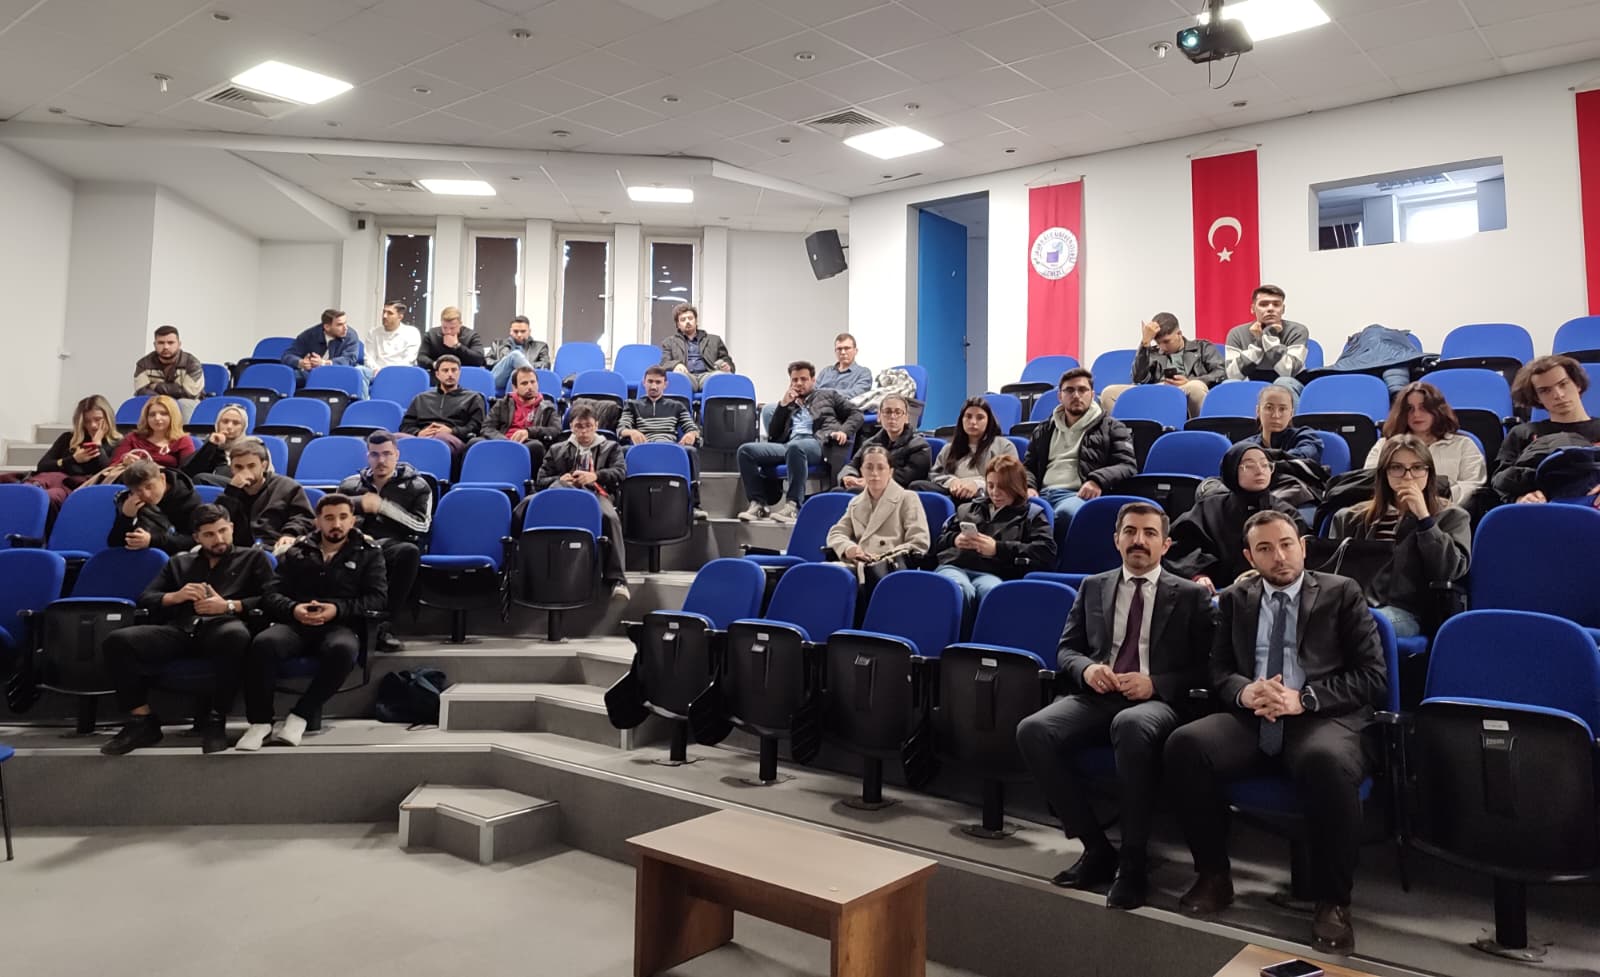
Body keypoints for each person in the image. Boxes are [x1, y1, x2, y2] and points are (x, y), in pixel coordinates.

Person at [1165, 509, 1388, 954]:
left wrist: (1304, 699)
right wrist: (1244, 691)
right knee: (1185, 745)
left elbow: (1372, 677)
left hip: (1320, 716)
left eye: (1286, 545)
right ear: (1250, 557)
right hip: (1254, 713)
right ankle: (1214, 875)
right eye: (1265, 549)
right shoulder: (1235, 598)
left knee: (1326, 760)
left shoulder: (1341, 592)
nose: (1279, 556)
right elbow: (1218, 670)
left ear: (1302, 547)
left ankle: (1333, 901)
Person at [1015, 502, 1214, 909]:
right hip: (1098, 694)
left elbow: (1209, 669)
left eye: (1149, 533)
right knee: (1033, 731)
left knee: (1131, 725)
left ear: (1166, 544)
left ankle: (1133, 861)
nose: (1139, 540)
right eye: (1130, 532)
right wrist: (1088, 669)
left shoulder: (1191, 595)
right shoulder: (1094, 585)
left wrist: (1155, 683)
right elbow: (1067, 650)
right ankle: (1096, 848)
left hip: (1156, 702)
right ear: (1116, 540)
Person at [98, 504, 275, 756]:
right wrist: (175, 596)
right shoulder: (180, 562)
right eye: (209, 534)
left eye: (223, 531)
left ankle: (216, 719)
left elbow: (272, 599)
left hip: (224, 625)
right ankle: (142, 720)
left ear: (232, 528)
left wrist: (229, 605)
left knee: (235, 636)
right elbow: (146, 598)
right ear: (197, 537)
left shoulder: (254, 558)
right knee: (118, 641)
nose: (219, 539)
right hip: (181, 629)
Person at [237, 493, 387, 751]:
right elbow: (271, 593)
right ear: (318, 521)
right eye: (329, 518)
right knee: (264, 644)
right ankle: (260, 722)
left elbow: (377, 599)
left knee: (343, 649)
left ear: (353, 521)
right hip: (297, 622)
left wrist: (337, 609)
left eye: (343, 517)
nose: (336, 524)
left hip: (340, 623)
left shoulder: (369, 553)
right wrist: (294, 609)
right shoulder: (297, 551)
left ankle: (301, 715)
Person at [1331, 435, 1471, 638]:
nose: (1408, 476)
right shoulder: (1350, 518)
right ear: (1384, 473)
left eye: (1417, 467)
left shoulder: (1452, 516)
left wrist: (1424, 519)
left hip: (1410, 613)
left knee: (1364, 623)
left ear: (1429, 472)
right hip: (1356, 606)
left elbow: (1449, 571)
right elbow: (1332, 575)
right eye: (1397, 468)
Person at [1165, 442, 1307, 594]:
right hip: (1215, 592)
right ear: (1232, 470)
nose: (1260, 471)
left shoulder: (1286, 514)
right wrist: (1198, 575)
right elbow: (1178, 547)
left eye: (1265, 465)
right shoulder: (1208, 509)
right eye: (1249, 466)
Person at [930, 456, 1056, 623]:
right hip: (955, 565)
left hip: (994, 572)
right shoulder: (969, 508)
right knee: (960, 589)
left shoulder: (1032, 515)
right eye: (990, 485)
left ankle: (978, 636)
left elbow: (1046, 551)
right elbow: (938, 544)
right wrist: (954, 539)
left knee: (991, 591)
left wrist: (998, 548)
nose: (995, 492)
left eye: (1002, 487)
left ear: (1016, 487)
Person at [338, 431, 432, 653]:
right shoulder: (350, 485)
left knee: (409, 552)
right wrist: (360, 505)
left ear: (397, 455)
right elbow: (334, 515)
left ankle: (384, 626)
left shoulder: (418, 486)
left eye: (387, 454)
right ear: (367, 456)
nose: (381, 460)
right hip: (356, 543)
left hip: (393, 545)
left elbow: (422, 526)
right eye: (375, 454)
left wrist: (383, 507)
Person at [737, 360, 862, 524]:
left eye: (803, 379)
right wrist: (783, 405)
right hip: (790, 445)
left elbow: (856, 413)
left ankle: (793, 505)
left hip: (819, 443)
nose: (799, 383)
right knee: (745, 451)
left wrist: (844, 431)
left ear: (813, 380)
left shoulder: (828, 395)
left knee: (796, 448)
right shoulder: (790, 404)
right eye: (795, 380)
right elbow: (774, 434)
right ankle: (758, 503)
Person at [1022, 368, 1137, 538]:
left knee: (1064, 515)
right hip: (1041, 494)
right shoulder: (1043, 429)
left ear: (1092, 395)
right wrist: (1029, 487)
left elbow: (1127, 465)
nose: (1076, 395)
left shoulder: (1112, 427)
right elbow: (1028, 467)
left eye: (1082, 390)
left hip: (1077, 495)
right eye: (1069, 390)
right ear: (1060, 396)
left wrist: (1097, 480)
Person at [536, 404, 630, 600]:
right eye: (579, 426)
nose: (584, 431)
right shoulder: (557, 449)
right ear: (571, 426)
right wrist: (560, 479)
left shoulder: (611, 447)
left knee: (610, 518)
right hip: (562, 493)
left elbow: (620, 473)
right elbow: (541, 480)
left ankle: (617, 580)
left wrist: (596, 476)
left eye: (588, 426)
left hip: (596, 494)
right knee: (527, 508)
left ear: (596, 425)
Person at [1490, 355, 1600, 504]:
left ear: (1578, 384)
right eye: (1545, 391)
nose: (1558, 395)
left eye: (1563, 384)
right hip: (1541, 509)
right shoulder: (1521, 433)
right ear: (1537, 398)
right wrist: (1519, 498)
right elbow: (1499, 481)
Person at [1363, 382, 1486, 506]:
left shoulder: (1464, 445)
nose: (1416, 414)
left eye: (1423, 408)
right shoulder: (1384, 445)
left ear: (1438, 410)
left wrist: (1428, 501)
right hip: (1393, 510)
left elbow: (1472, 487)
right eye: (1410, 409)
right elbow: (1370, 482)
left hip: (1445, 512)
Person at [826, 445, 931, 588]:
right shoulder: (855, 503)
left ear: (890, 472)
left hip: (892, 569)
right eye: (869, 468)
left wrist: (882, 558)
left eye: (881, 468)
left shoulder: (907, 498)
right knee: (822, 572)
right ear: (862, 471)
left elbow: (919, 542)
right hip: (859, 566)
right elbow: (836, 533)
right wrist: (849, 548)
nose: (874, 473)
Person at [0, 394, 119, 515]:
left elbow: (110, 473)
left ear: (107, 418)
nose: (93, 425)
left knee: (51, 496)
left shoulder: (117, 443)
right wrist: (73, 459)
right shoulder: (68, 438)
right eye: (87, 421)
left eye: (98, 419)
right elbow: (42, 465)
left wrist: (98, 445)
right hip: (49, 479)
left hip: (75, 486)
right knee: (28, 486)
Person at [619, 364, 706, 519]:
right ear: (644, 383)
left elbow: (693, 429)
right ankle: (622, 504)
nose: (654, 386)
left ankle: (694, 505)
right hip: (644, 448)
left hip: (669, 447)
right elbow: (621, 429)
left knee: (691, 451)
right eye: (650, 381)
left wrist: (691, 434)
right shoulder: (632, 405)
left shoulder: (677, 406)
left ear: (665, 384)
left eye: (658, 382)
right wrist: (631, 432)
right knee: (622, 451)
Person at [1100, 313, 1225, 418]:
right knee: (1109, 393)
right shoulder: (1151, 352)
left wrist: (1190, 381)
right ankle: (1123, 434)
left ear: (1179, 334)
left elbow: (1220, 373)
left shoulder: (1202, 347)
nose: (1162, 347)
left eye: (1166, 341)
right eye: (1158, 343)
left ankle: (1198, 431)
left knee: (1196, 387)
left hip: (1186, 388)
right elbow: (1138, 379)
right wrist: (1145, 344)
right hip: (1157, 390)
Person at [217, 438, 315, 555]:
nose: (245, 472)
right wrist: (231, 492)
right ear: (231, 468)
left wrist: (289, 534)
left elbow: (303, 518)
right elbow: (216, 521)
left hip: (274, 547)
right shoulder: (231, 491)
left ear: (263, 466)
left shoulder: (287, 487)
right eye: (238, 467)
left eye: (251, 466)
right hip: (237, 551)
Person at [910, 396, 1019, 499]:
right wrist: (952, 482)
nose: (973, 422)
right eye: (968, 416)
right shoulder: (949, 448)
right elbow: (935, 475)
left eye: (980, 418)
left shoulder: (1004, 446)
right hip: (952, 493)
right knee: (917, 486)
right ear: (961, 420)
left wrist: (978, 485)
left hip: (984, 496)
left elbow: (1010, 480)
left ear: (989, 421)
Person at [1242, 385, 1324, 513]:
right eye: (1269, 408)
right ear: (1258, 411)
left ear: (1291, 413)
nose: (1276, 415)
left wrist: (1265, 462)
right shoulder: (1246, 445)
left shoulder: (1306, 436)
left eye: (1282, 409)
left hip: (1300, 502)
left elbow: (1307, 454)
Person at [1223, 285, 1311, 397]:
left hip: (1289, 383)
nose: (1270, 309)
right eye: (1263, 304)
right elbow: (1232, 375)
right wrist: (1258, 344)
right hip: (1252, 382)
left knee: (1282, 382)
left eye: (1276, 304)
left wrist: (1270, 337)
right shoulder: (1236, 333)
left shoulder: (1297, 330)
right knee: (1228, 385)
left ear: (1283, 309)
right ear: (1253, 308)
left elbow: (1288, 372)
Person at [835, 394, 930, 491]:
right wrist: (849, 477)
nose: (892, 416)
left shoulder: (919, 446)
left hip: (898, 492)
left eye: (898, 412)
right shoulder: (870, 444)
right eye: (887, 412)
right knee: (838, 491)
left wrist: (871, 482)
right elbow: (852, 465)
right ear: (879, 416)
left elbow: (907, 477)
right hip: (867, 489)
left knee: (855, 491)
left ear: (906, 418)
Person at [107, 459, 200, 556]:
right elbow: (115, 544)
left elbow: (196, 540)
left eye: (149, 487)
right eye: (138, 490)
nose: (146, 495)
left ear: (162, 478)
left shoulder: (189, 499)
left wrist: (152, 540)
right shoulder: (131, 501)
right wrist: (126, 517)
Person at [401, 355, 485, 459]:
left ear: (459, 373)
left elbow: (476, 427)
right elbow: (406, 425)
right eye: (445, 370)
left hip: (454, 438)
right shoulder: (421, 398)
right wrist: (418, 433)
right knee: (394, 438)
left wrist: (452, 431)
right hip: (423, 435)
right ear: (437, 374)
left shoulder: (473, 397)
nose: (450, 374)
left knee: (439, 438)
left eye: (454, 370)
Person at [481, 365, 561, 473]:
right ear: (515, 387)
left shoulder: (547, 407)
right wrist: (504, 441)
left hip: (528, 444)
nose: (530, 387)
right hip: (502, 441)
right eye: (524, 383)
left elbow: (556, 429)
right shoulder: (503, 404)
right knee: (474, 442)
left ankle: (533, 482)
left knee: (536, 447)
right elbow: (487, 427)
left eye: (533, 382)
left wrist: (529, 432)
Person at [133, 324, 204, 418]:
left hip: (186, 402)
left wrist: (155, 386)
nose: (166, 347)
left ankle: (183, 429)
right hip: (156, 401)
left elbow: (189, 393)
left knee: (184, 403)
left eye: (170, 343)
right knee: (143, 402)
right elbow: (141, 391)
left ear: (179, 344)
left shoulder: (192, 363)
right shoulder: (144, 364)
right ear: (155, 345)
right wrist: (162, 400)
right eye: (161, 343)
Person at [659, 303, 733, 391]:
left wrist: (728, 366)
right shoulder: (669, 342)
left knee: (719, 376)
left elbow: (727, 361)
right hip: (686, 376)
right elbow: (664, 363)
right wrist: (676, 364)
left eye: (690, 318)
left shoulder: (715, 340)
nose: (687, 322)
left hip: (708, 376)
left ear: (696, 320)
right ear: (678, 324)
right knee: (678, 377)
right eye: (683, 320)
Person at [111, 394, 196, 470]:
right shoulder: (132, 438)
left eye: (163, 414)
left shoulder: (183, 441)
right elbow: (113, 467)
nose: (157, 418)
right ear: (146, 418)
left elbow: (188, 472)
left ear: (173, 417)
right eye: (152, 415)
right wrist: (124, 462)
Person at [283, 308, 364, 387]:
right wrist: (301, 363)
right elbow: (287, 355)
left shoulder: (350, 336)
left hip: (338, 374)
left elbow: (349, 359)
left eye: (345, 323)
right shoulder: (310, 335)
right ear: (327, 327)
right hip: (310, 374)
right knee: (286, 377)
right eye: (339, 325)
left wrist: (324, 363)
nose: (345, 328)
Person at [184, 403, 251, 487]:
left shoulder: (251, 446)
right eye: (225, 422)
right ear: (218, 424)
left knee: (201, 478)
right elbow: (188, 474)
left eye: (236, 423)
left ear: (243, 427)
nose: (229, 426)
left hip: (240, 489)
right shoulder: (211, 444)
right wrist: (211, 445)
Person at [487, 315, 551, 393]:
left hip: (520, 380)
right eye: (516, 331)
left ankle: (512, 400)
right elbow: (487, 361)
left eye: (523, 331)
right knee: (515, 356)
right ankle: (533, 387)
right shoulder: (498, 344)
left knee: (516, 372)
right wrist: (507, 363)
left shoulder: (540, 346)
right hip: (499, 379)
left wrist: (519, 366)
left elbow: (545, 364)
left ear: (529, 331)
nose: (519, 335)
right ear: (510, 331)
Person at [416, 306, 488, 372]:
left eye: (452, 328)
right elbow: (421, 358)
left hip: (465, 374)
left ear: (460, 324)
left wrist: (457, 346)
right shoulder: (431, 335)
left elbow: (479, 360)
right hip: (437, 375)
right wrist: (434, 364)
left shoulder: (471, 336)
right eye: (444, 327)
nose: (448, 332)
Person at [366, 300, 422, 374]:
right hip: (376, 372)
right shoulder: (373, 332)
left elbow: (408, 360)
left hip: (400, 373)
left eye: (390, 313)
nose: (384, 316)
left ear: (400, 317)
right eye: (384, 312)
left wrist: (391, 373)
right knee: (360, 370)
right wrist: (377, 371)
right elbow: (369, 358)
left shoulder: (412, 333)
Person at [816, 332, 872, 397]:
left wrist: (825, 393)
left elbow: (857, 393)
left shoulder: (863, 373)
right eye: (839, 349)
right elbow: (812, 392)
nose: (843, 352)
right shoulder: (826, 371)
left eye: (847, 348)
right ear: (835, 351)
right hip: (818, 403)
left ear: (855, 351)